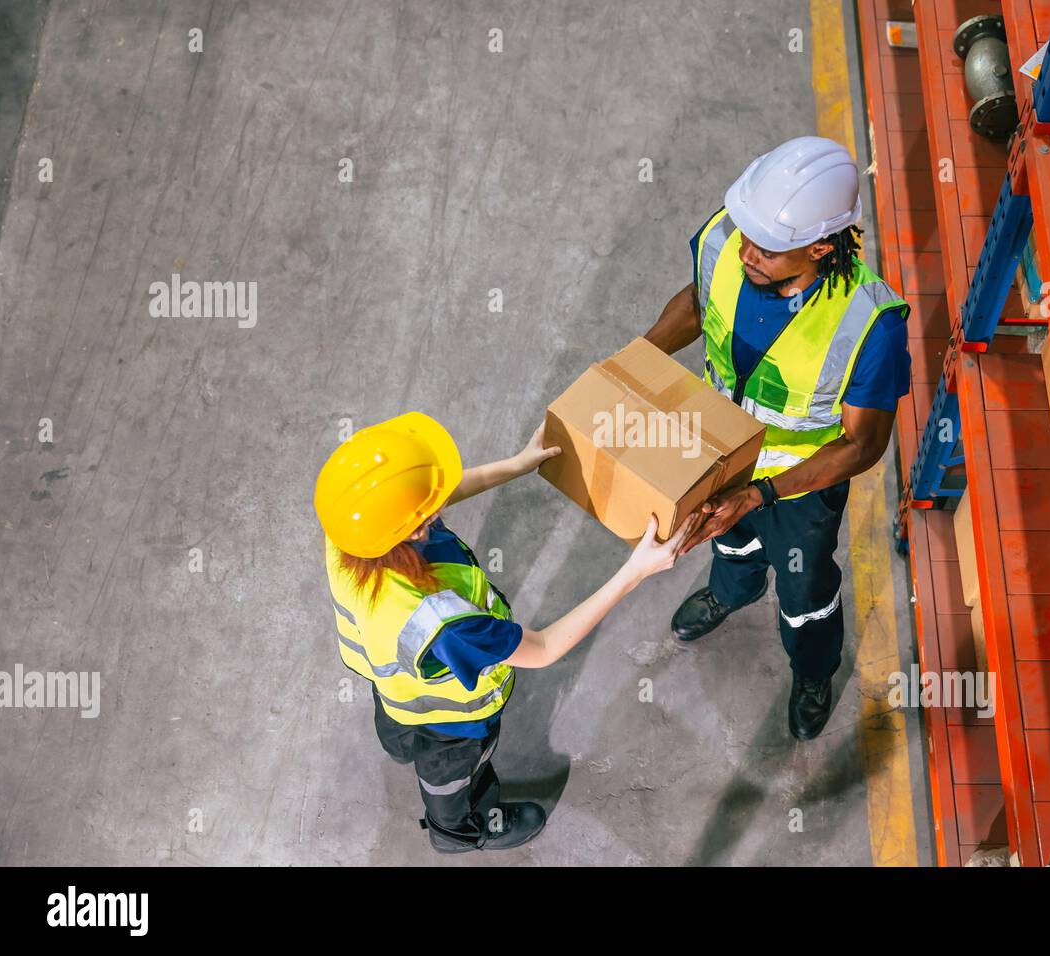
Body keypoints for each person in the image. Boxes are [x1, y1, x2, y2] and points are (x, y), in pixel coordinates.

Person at [313, 412, 695, 852]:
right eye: (427, 510)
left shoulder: (352, 530)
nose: (438, 506)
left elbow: (424, 502)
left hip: (391, 687)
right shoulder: (443, 623)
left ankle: (400, 745)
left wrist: (518, 464)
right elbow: (546, 647)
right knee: (451, 781)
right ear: (414, 528)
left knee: (400, 729)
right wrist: (635, 572)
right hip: (451, 723)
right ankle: (458, 833)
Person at [643, 136, 911, 741]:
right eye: (746, 234)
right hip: (717, 452)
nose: (746, 252)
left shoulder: (868, 323)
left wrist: (761, 494)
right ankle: (730, 592)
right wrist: (637, 360)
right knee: (725, 540)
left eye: (768, 247)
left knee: (805, 590)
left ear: (820, 246)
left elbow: (862, 447)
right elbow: (696, 300)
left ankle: (814, 668)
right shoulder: (726, 239)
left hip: (797, 490)